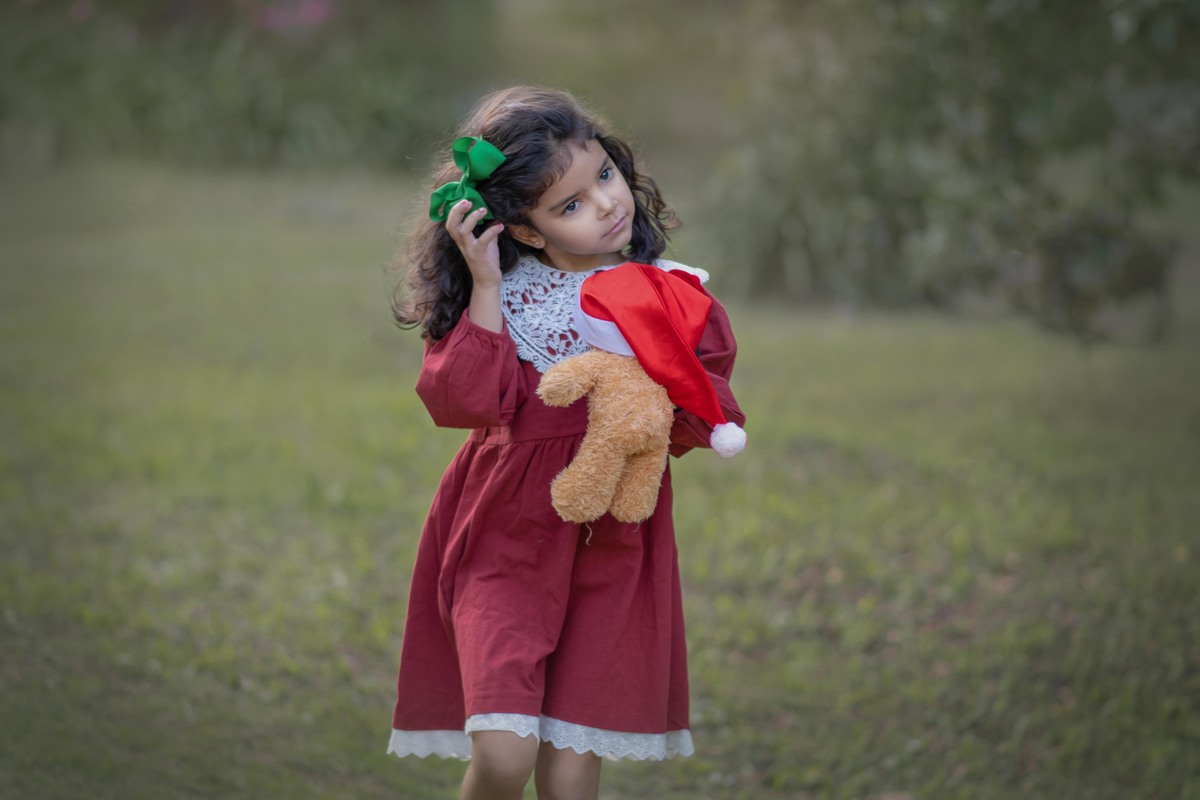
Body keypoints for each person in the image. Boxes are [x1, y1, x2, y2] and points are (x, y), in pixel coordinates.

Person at [387, 85, 746, 800]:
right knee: (503, 756)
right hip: (506, 536)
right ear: (523, 230)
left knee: (572, 775)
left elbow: (698, 407)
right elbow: (464, 401)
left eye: (605, 178)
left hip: (612, 546)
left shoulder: (667, 291)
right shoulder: (507, 298)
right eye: (571, 205)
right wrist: (486, 284)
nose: (608, 205)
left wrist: (649, 392)